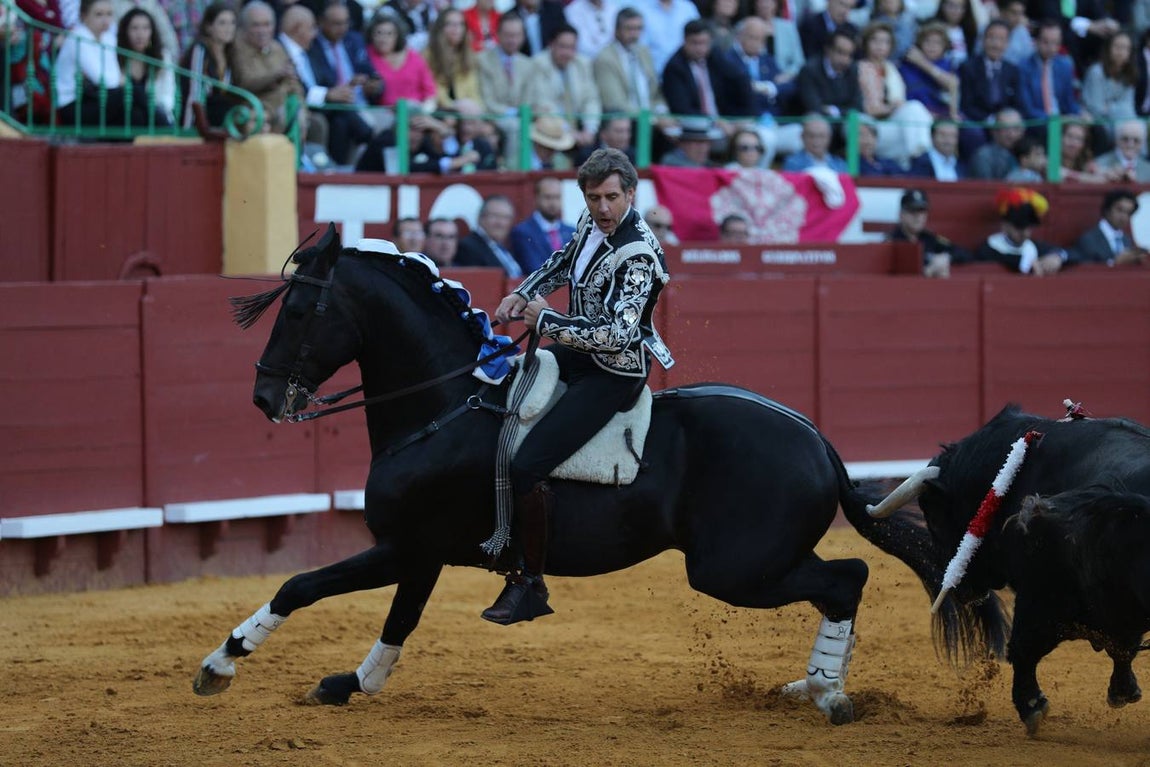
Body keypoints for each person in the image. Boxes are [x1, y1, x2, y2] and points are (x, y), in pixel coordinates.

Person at [483, 148, 674, 625]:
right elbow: (565, 260)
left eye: (612, 197)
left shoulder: (639, 253)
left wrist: (545, 319)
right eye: (594, 198)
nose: (603, 207)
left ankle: (530, 583)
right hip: (577, 348)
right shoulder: (593, 225)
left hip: (613, 372)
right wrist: (523, 292)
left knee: (528, 465)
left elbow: (619, 335)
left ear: (631, 194)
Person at [306, 0, 381, 163]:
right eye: (336, 23)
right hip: (334, 108)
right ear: (321, 22)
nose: (343, 28)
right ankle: (368, 137)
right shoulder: (312, 46)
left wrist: (373, 85)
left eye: (346, 22)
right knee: (341, 122)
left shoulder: (354, 40)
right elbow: (318, 83)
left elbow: (372, 74)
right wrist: (342, 88)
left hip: (361, 104)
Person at [55, 0, 145, 128]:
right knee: (129, 93)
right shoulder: (78, 37)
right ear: (84, 16)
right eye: (99, 14)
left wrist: (121, 80)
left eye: (109, 14)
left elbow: (113, 75)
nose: (105, 20)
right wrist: (122, 80)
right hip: (72, 105)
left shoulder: (108, 38)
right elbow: (103, 79)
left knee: (136, 115)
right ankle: (168, 127)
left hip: (96, 98)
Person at [661, 19, 754, 139]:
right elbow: (683, 109)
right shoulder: (674, 67)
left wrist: (744, 117)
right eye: (695, 43)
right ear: (684, 41)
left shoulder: (714, 56)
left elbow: (740, 79)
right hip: (694, 127)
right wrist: (714, 121)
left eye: (704, 43)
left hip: (724, 122)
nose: (700, 48)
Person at [856, 21, 933, 163]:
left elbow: (900, 101)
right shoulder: (860, 68)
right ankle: (923, 160)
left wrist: (895, 107)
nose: (880, 46)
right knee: (913, 111)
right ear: (866, 43)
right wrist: (891, 108)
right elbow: (869, 109)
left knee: (915, 109)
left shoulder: (892, 69)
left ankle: (922, 156)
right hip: (872, 126)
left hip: (892, 123)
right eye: (875, 40)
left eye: (885, 42)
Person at [229, 0, 306, 135]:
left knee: (316, 123)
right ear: (244, 28)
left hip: (284, 105)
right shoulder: (237, 48)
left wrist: (302, 106)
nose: (262, 31)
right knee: (283, 118)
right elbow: (245, 82)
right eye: (256, 25)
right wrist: (275, 76)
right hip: (257, 108)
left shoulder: (277, 47)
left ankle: (306, 156)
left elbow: (294, 84)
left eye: (267, 25)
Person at [523, 24, 602, 152]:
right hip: (551, 131)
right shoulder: (538, 64)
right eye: (562, 46)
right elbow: (544, 105)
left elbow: (591, 100)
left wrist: (590, 129)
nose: (567, 53)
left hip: (580, 129)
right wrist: (570, 132)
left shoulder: (582, 64)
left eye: (571, 47)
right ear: (551, 45)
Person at [974, 187, 1068, 275]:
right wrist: (1026, 263)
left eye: (1028, 227)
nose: (1025, 233)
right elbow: (1002, 258)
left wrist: (1057, 257)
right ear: (1005, 226)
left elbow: (1070, 253)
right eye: (1019, 227)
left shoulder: (1032, 246)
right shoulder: (989, 248)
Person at [478, 12, 531, 166]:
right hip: (491, 116)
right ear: (498, 34)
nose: (512, 40)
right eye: (508, 35)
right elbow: (486, 100)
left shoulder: (528, 64)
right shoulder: (482, 60)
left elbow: (529, 99)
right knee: (515, 127)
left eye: (517, 35)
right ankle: (513, 174)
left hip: (521, 117)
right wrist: (514, 113)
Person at [886, 188, 972, 278]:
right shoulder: (892, 242)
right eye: (912, 211)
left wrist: (946, 257)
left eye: (921, 211)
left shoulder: (930, 239)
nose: (918, 217)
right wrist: (926, 272)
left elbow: (964, 254)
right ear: (901, 214)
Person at [178, 0, 236, 131]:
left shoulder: (230, 53)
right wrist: (189, 129)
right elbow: (194, 91)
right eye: (222, 23)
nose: (229, 28)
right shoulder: (200, 49)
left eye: (232, 23)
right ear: (209, 27)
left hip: (220, 117)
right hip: (201, 117)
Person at [364, 12, 437, 112]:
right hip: (381, 115)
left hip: (415, 113)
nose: (383, 38)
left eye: (389, 34)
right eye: (378, 33)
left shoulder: (413, 57)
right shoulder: (366, 56)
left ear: (397, 36)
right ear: (371, 35)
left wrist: (425, 113)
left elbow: (430, 93)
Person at [958, 20, 1024, 126]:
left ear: (1007, 43)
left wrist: (1007, 118)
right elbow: (966, 105)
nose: (996, 44)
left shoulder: (1012, 70)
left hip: (1006, 124)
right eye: (991, 38)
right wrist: (990, 120)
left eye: (1001, 39)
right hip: (979, 122)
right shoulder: (968, 67)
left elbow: (1017, 103)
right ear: (983, 40)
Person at [117, 6, 175, 126]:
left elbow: (168, 96)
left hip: (156, 118)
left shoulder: (162, 57)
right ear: (125, 31)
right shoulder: (116, 57)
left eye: (145, 28)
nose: (140, 34)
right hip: (125, 118)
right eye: (134, 28)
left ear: (152, 31)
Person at [1018, 21, 1083, 128]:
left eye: (1055, 43)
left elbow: (1069, 102)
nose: (1051, 48)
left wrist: (1080, 114)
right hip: (1038, 123)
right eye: (1045, 42)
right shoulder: (1023, 67)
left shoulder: (1065, 65)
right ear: (1036, 41)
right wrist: (1055, 120)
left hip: (1063, 123)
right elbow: (1027, 110)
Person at [510, 177, 577, 273]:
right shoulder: (522, 232)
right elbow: (534, 268)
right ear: (536, 198)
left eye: (557, 197)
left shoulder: (571, 231)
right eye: (548, 197)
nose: (553, 203)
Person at [1069, 189, 1149, 266]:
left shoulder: (1126, 240)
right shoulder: (1088, 239)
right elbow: (1084, 271)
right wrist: (1114, 262)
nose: (1124, 217)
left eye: (1128, 213)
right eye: (1119, 210)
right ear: (1107, 209)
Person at [1081, 30, 1137, 140]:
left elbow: (1129, 107)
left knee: (1136, 127)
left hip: (1121, 119)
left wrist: (1110, 106)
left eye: (1125, 48)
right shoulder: (1096, 72)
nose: (1121, 52)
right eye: (1117, 46)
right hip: (1095, 120)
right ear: (1108, 48)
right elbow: (1097, 109)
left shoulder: (1129, 74)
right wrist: (1117, 107)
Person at [455, 195, 521, 276]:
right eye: (495, 216)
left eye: (506, 218)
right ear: (481, 217)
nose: (501, 223)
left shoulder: (504, 248)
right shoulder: (468, 247)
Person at [968, 107, 1024, 179]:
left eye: (1016, 129)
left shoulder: (1026, 154)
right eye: (1006, 129)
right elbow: (986, 188)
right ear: (994, 131)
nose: (1012, 135)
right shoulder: (983, 157)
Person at [781, 113, 849, 172]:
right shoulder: (792, 163)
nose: (816, 141)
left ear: (829, 137)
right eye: (811, 136)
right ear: (802, 137)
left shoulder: (840, 165)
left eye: (821, 136)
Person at [1094, 118, 1150, 182]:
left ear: (1142, 143)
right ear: (1117, 140)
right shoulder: (1100, 163)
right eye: (1125, 139)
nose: (1130, 145)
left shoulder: (1148, 169)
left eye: (1136, 140)